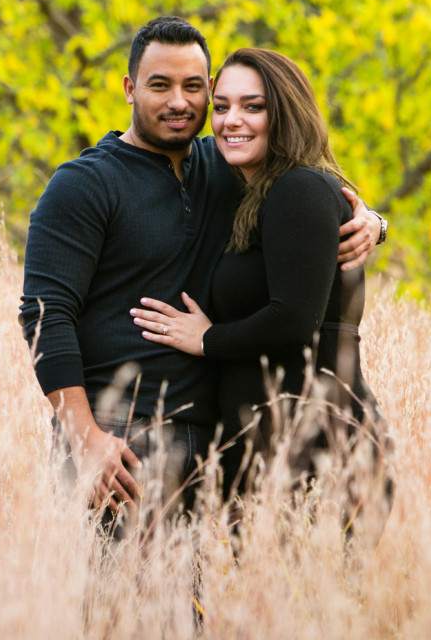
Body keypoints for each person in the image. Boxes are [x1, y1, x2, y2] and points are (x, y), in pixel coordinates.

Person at [18, 18, 385, 524]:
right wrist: (85, 438)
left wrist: (371, 221)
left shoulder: (227, 165)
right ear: (129, 88)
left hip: (216, 443)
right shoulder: (83, 184)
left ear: (209, 90)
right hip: (119, 435)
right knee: (116, 602)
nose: (178, 102)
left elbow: (307, 197)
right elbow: (44, 315)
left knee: (197, 605)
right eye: (159, 85)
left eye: (193, 87)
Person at [130, 48, 395, 533]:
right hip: (269, 450)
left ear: (285, 110)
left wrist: (206, 339)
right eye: (223, 105)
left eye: (253, 106)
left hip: (319, 447)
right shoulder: (256, 193)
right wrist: (377, 223)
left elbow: (294, 321)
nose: (233, 120)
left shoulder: (298, 189)